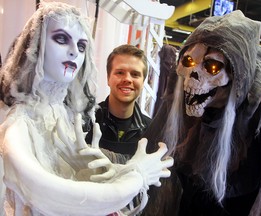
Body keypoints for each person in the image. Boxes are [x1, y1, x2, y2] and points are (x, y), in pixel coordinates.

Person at [0, 2, 173, 215]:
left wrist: (114, 173)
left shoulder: (61, 114)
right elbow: (51, 193)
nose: (74, 52)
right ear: (36, 45)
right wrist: (136, 175)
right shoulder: (20, 123)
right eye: (61, 39)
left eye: (82, 46)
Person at [141, 10, 261, 216]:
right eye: (189, 61)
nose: (193, 76)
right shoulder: (182, 90)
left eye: (211, 65)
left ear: (236, 78)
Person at [85, 44, 151, 158]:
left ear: (143, 82)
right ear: (108, 78)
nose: (127, 79)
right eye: (120, 72)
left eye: (135, 74)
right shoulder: (86, 121)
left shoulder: (151, 131)